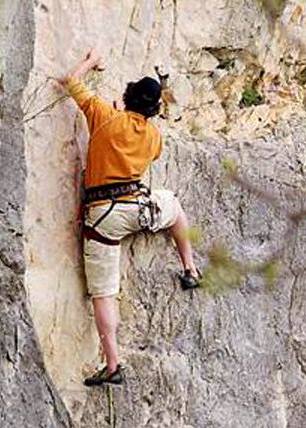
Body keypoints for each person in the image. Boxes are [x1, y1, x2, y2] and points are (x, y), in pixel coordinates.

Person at [55, 49, 201, 387]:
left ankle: (113, 364)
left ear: (127, 96)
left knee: (104, 292)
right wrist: (128, 117)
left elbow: (69, 81)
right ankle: (190, 268)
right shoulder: (153, 137)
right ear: (153, 109)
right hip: (139, 208)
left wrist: (91, 61)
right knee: (174, 206)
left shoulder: (104, 116)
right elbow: (139, 140)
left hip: (103, 216)